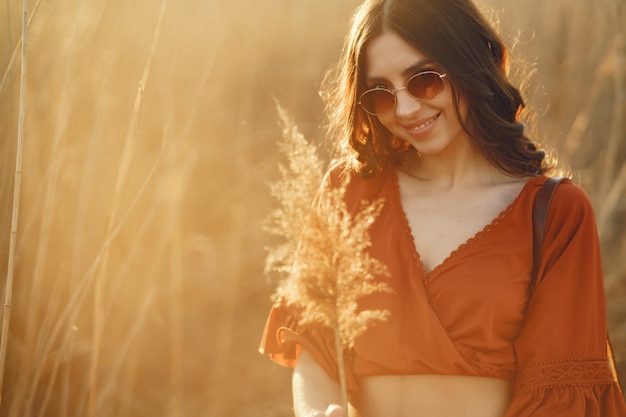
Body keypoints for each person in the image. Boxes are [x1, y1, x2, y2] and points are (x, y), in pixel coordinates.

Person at [259, 0, 626, 416]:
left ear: (471, 64)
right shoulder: (348, 193)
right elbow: (314, 347)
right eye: (381, 93)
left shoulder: (555, 213)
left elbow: (561, 398)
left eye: (424, 80)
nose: (406, 109)